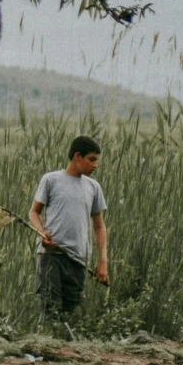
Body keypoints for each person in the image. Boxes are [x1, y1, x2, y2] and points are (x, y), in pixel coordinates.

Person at [29, 134, 109, 320]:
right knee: (50, 309)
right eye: (91, 160)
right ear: (77, 156)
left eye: (96, 160)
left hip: (78, 259)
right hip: (52, 256)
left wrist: (103, 261)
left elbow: (99, 227)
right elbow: (33, 212)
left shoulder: (93, 187)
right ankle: (45, 346)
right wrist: (42, 233)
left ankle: (66, 347)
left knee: (72, 313)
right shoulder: (51, 180)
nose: (95, 165)